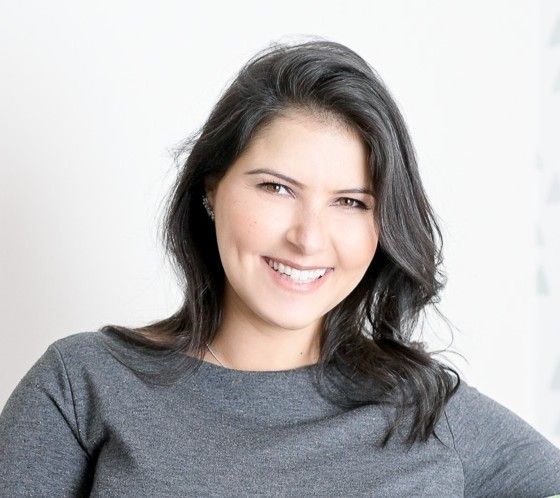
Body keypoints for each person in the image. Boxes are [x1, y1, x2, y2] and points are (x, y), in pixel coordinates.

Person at [1, 38, 559, 497]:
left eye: (351, 202)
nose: (308, 238)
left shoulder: (430, 413)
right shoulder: (83, 384)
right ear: (211, 189)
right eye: (276, 188)